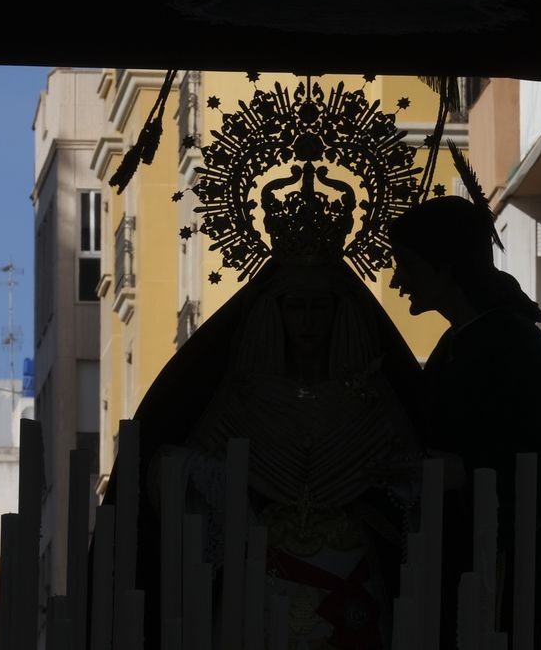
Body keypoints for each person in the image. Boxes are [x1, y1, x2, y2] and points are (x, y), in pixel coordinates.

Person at [96, 251, 448, 649]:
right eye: (296, 306)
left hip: (352, 577)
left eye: (320, 307)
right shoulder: (244, 400)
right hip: (264, 580)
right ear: (274, 312)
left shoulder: (369, 401)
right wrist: (199, 475)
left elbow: (409, 487)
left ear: (340, 313)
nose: (308, 321)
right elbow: (191, 466)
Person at [387, 195, 541, 645]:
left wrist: (462, 470)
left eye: (407, 265)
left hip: (519, 575)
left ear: (444, 267)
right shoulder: (454, 345)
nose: (398, 280)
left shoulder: (510, 341)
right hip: (466, 563)